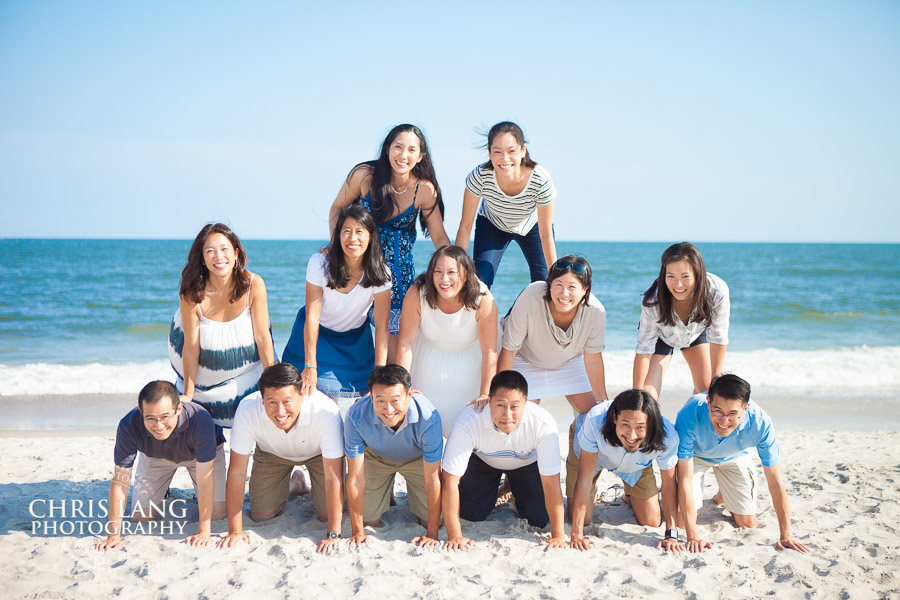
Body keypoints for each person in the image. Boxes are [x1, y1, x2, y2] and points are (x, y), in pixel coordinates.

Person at [328, 124, 451, 362]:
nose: (403, 155)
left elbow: (438, 236)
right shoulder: (365, 176)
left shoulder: (424, 190)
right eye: (398, 147)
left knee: (393, 345)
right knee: (351, 331)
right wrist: (335, 249)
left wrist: (458, 267)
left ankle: (390, 390)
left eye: (411, 150)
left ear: (420, 156)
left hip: (399, 274)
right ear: (387, 149)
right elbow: (337, 208)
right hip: (358, 267)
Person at [217, 363, 344, 554]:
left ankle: (307, 486)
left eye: (286, 401)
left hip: (318, 454)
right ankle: (294, 485)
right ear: (262, 399)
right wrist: (235, 531)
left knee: (327, 515)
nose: (280, 411)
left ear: (301, 396)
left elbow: (333, 478)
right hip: (271, 453)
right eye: (272, 402)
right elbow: (236, 473)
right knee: (261, 515)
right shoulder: (247, 409)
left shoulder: (325, 411)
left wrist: (333, 534)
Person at [675, 374, 809, 553]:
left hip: (734, 455)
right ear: (708, 402)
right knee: (682, 522)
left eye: (732, 414)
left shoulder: (761, 423)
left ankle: (724, 492)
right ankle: (726, 489)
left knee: (746, 523)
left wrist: (786, 536)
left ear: (745, 409)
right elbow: (684, 478)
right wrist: (693, 536)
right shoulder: (689, 413)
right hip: (696, 456)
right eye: (717, 411)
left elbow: (775, 481)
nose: (723, 421)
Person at [441, 371, 566, 551]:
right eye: (500, 405)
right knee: (472, 513)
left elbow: (551, 483)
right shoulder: (469, 419)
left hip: (526, 462)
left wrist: (558, 536)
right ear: (489, 401)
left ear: (526, 404)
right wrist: (455, 536)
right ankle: (496, 487)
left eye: (515, 406)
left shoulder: (542, 423)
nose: (507, 414)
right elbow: (450, 480)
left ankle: (512, 487)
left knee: (539, 519)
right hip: (484, 461)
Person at [95, 380, 226, 551]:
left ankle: (197, 496)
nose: (159, 426)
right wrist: (113, 535)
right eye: (150, 418)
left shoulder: (200, 419)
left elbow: (205, 478)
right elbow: (120, 481)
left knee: (216, 515)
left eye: (165, 417)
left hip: (199, 458)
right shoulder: (128, 425)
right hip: (156, 457)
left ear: (178, 409)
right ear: (141, 412)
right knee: (141, 517)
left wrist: (204, 532)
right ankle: (162, 489)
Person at [168, 223, 276, 427]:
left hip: (249, 382)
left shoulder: (254, 285)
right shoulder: (192, 294)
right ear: (202, 258)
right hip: (204, 393)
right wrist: (188, 394)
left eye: (224, 249)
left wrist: (273, 383)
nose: (218, 256)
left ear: (236, 254)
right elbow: (191, 347)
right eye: (210, 251)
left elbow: (263, 337)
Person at [282, 205, 391, 399]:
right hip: (316, 335)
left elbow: (382, 326)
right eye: (346, 231)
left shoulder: (382, 273)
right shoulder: (319, 263)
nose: (352, 238)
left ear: (371, 236)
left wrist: (379, 372)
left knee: (362, 398)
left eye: (359, 232)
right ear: (338, 235)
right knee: (314, 399)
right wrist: (310, 364)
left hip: (353, 340)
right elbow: (312, 316)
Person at [396, 245, 498, 436]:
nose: (444, 279)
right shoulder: (418, 293)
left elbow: (489, 352)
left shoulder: (482, 298)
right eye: (438, 272)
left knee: (463, 434)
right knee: (424, 431)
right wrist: (403, 385)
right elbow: (405, 344)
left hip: (470, 369)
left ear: (466, 275)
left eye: (452, 272)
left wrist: (485, 394)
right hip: (426, 362)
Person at [568, 389, 683, 553]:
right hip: (592, 455)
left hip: (636, 462)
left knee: (651, 521)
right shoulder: (594, 421)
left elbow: (669, 485)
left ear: (651, 424)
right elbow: (584, 478)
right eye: (626, 425)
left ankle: (629, 495)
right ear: (615, 417)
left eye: (640, 427)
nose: (632, 435)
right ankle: (593, 493)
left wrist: (671, 535)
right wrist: (577, 533)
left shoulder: (667, 436)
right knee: (582, 519)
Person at [343, 365, 443, 547]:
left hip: (416, 457)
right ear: (371, 397)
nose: (388, 409)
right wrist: (357, 532)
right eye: (380, 400)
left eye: (395, 400)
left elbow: (433, 479)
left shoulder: (429, 417)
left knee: (432, 521)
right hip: (376, 456)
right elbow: (355, 477)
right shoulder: (355, 415)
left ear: (409, 394)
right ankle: (383, 489)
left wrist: (432, 533)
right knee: (368, 521)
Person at [499, 256, 607, 416]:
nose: (564, 293)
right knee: (522, 415)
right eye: (558, 285)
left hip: (567, 361)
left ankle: (576, 436)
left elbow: (592, 359)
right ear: (549, 285)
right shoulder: (531, 296)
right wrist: (502, 394)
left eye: (572, 287)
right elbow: (509, 350)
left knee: (594, 414)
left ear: (585, 290)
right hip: (523, 358)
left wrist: (603, 403)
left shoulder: (596, 311)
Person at [454, 121, 557, 289]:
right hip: (492, 225)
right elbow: (465, 226)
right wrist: (456, 268)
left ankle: (511, 316)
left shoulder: (540, 180)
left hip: (532, 227)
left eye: (511, 151)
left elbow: (546, 235)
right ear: (489, 153)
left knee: (544, 284)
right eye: (497, 152)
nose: (505, 158)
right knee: (479, 284)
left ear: (523, 151)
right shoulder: (479, 177)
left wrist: (555, 278)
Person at [633, 242, 730, 400]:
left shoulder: (716, 290)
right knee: (646, 397)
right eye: (671, 276)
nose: (678, 285)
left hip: (695, 334)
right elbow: (643, 349)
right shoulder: (653, 299)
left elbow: (718, 337)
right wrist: (635, 396)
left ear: (698, 273)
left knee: (706, 393)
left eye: (685, 277)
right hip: (661, 337)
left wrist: (716, 382)